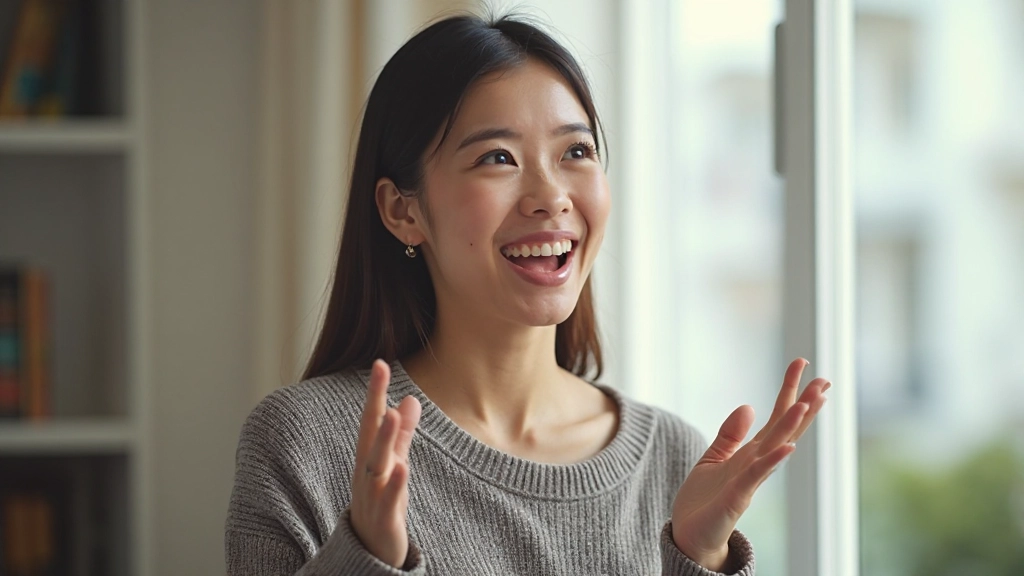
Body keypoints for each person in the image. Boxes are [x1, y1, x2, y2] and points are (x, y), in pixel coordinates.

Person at [225, 11, 829, 576]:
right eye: (497, 157)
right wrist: (365, 557)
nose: (551, 196)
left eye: (576, 152)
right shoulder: (303, 443)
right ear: (402, 210)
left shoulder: (675, 458)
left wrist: (698, 557)